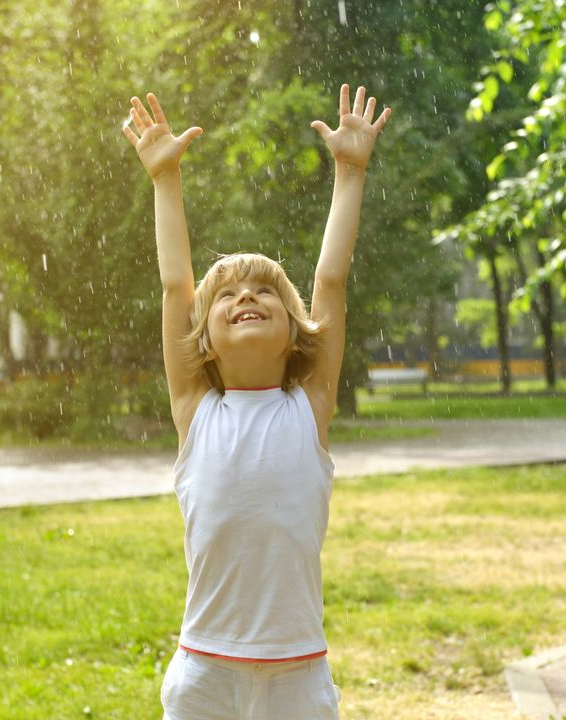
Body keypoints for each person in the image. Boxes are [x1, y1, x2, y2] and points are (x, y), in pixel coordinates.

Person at [122, 84, 391, 720]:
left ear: (296, 331)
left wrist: (350, 172)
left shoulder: (310, 404)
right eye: (227, 295)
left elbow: (330, 280)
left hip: (299, 676)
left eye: (265, 290)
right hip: (204, 672)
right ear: (205, 342)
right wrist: (165, 180)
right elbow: (173, 284)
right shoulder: (194, 407)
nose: (245, 295)